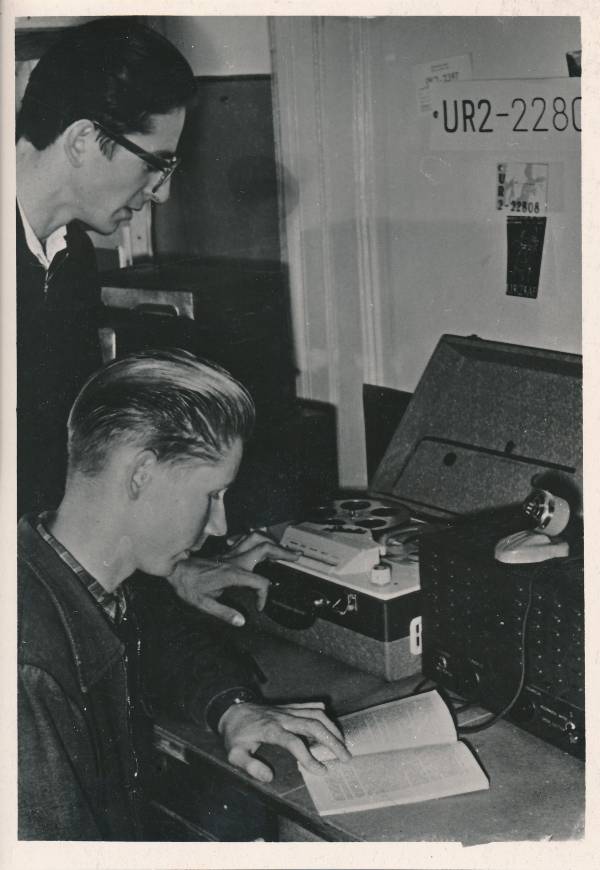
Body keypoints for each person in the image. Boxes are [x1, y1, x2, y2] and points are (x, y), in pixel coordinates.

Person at [18, 349, 351, 840]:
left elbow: (153, 639)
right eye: (212, 495)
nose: (219, 525)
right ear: (140, 476)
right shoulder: (24, 674)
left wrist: (233, 707)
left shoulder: (75, 574)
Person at [16, 16, 278, 626]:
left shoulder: (69, 257)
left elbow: (68, 465)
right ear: (83, 140)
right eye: (154, 162)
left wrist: (166, 561)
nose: (160, 192)